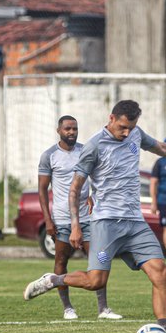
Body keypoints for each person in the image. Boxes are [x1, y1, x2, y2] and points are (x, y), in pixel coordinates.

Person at [24, 100, 166, 333]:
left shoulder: (135, 134)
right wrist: (76, 225)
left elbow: (163, 149)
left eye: (130, 128)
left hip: (135, 222)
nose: (126, 133)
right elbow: (75, 188)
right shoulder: (93, 146)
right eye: (122, 127)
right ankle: (54, 279)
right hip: (105, 223)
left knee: (161, 273)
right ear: (111, 118)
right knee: (95, 281)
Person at [36, 115, 122, 320]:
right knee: (61, 260)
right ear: (59, 130)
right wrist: (48, 220)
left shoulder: (85, 151)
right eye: (67, 129)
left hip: (88, 217)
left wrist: (94, 195)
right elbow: (41, 190)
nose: (72, 132)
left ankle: (103, 309)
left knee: (99, 259)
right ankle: (68, 308)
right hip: (62, 219)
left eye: (74, 129)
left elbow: (99, 177)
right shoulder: (49, 156)